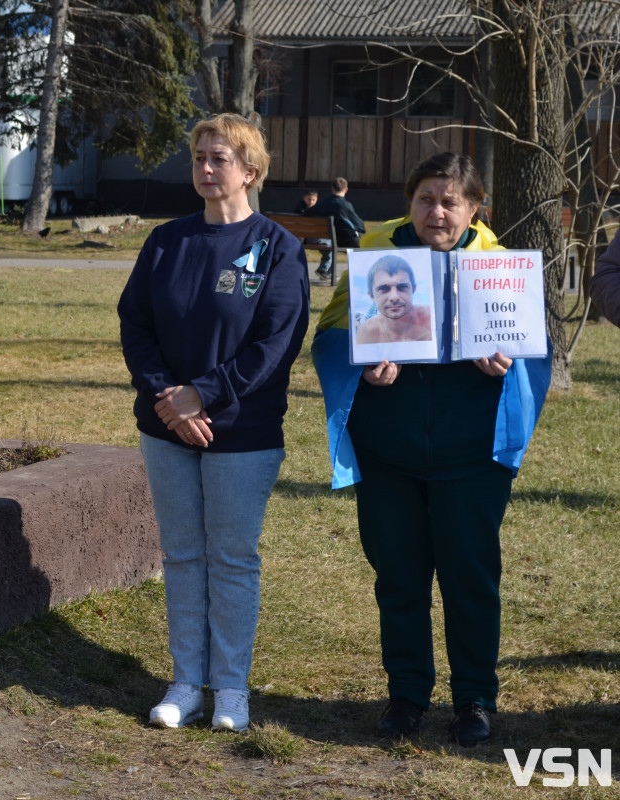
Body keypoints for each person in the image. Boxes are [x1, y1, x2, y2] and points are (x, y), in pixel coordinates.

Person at [312, 153, 551, 747]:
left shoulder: (499, 268)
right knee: (399, 578)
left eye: (450, 201)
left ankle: (474, 699)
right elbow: (331, 336)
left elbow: (535, 356)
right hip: (389, 451)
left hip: (471, 456)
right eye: (425, 198)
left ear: (474, 209)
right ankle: (406, 696)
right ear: (409, 200)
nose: (436, 212)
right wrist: (360, 367)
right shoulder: (375, 255)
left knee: (471, 579)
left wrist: (507, 363)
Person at [118, 114, 309, 733]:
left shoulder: (278, 248)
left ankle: (230, 689)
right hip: (166, 427)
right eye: (199, 157)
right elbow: (136, 324)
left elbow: (275, 342)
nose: (204, 169)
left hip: (243, 431)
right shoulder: (166, 241)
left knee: (230, 558)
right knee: (181, 556)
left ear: (250, 171)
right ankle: (185, 682)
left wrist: (203, 394)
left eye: (218, 158)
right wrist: (168, 402)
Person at [355, 255, 433, 343]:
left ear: (413, 290)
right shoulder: (368, 332)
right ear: (372, 296)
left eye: (402, 287)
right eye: (384, 288)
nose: (394, 297)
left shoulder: (432, 319)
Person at [306, 177, 366, 279]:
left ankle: (326, 271)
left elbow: (306, 213)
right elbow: (359, 225)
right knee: (365, 243)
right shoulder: (346, 205)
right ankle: (360, 276)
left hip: (331, 239)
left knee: (334, 242)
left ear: (332, 189)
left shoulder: (324, 203)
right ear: (346, 189)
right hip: (346, 240)